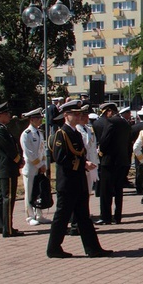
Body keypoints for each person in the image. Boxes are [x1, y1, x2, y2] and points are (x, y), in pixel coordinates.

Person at [46, 101, 113, 258]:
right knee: (61, 218)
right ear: (65, 115)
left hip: (78, 181)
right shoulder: (61, 134)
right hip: (68, 183)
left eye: (79, 114)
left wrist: (83, 164)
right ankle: (53, 248)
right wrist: (83, 164)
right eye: (74, 114)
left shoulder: (76, 133)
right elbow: (61, 158)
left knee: (84, 217)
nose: (78, 117)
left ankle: (93, 248)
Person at [0, 102, 24, 237]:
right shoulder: (0, 130)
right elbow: (9, 150)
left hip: (5, 168)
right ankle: (8, 229)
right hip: (7, 168)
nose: (9, 116)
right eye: (6, 114)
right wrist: (19, 161)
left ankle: (1, 225)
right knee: (8, 199)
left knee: (2, 198)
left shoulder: (1, 128)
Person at [96, 103, 131, 224]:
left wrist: (101, 152)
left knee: (106, 191)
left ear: (109, 111)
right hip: (122, 160)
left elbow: (104, 141)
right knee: (118, 190)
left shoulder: (110, 122)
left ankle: (105, 217)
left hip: (109, 161)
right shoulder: (125, 123)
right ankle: (117, 216)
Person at [20, 107, 50, 226]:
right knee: (29, 192)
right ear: (32, 119)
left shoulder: (39, 133)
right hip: (30, 168)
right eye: (38, 118)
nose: (40, 121)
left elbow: (41, 150)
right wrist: (38, 164)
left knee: (39, 192)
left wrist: (43, 164)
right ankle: (30, 216)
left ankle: (39, 214)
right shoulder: (26, 134)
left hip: (39, 167)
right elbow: (29, 153)